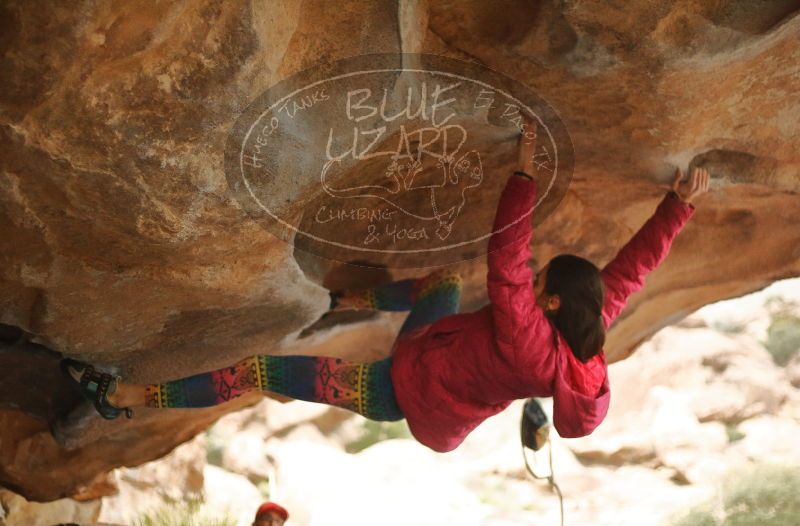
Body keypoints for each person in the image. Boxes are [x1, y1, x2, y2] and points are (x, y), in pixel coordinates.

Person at [61, 115, 710, 452]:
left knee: (259, 371)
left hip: (398, 391)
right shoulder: (584, 336)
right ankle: (345, 301)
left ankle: (126, 394)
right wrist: (676, 208)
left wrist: (523, 176)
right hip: (429, 350)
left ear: (551, 301)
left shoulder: (530, 337)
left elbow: (507, 260)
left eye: (542, 281)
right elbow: (629, 273)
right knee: (442, 281)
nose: (534, 279)